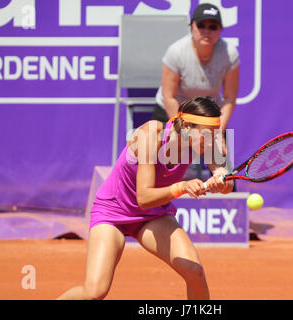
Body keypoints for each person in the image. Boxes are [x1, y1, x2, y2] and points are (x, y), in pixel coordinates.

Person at [57, 96, 233, 300]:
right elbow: (144, 196)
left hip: (152, 216)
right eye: (206, 134)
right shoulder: (152, 134)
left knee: (195, 272)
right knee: (95, 292)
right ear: (185, 126)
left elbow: (225, 179)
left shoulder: (208, 142)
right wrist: (182, 187)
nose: (211, 141)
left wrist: (221, 181)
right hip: (112, 212)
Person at [152, 3, 239, 181]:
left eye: (212, 26)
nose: (206, 30)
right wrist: (181, 130)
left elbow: (229, 98)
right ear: (192, 27)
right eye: (201, 25)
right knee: (165, 164)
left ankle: (228, 202)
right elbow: (169, 96)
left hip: (207, 117)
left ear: (220, 30)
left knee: (223, 170)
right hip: (173, 112)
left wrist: (217, 132)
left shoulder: (229, 54)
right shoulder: (176, 52)